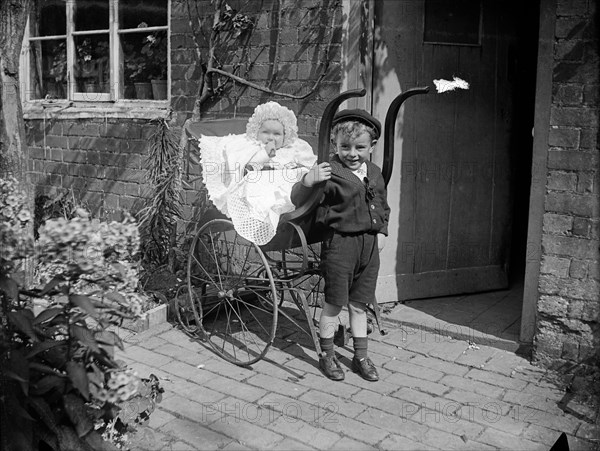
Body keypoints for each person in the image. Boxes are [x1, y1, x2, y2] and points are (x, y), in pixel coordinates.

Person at [290, 109, 389, 382]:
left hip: (368, 248)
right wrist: (307, 181)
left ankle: (360, 356)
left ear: (372, 146)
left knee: (359, 304)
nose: (352, 153)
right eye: (344, 147)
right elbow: (300, 200)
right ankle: (327, 354)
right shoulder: (330, 172)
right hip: (341, 245)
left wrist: (381, 231)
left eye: (360, 147)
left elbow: (382, 204)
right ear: (335, 144)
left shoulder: (376, 173)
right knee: (334, 304)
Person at [199, 102, 317, 244]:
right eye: (265, 132)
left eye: (277, 134)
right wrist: (265, 154)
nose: (271, 138)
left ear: (286, 135)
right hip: (262, 192)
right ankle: (269, 213)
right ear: (256, 132)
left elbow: (308, 164)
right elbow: (247, 169)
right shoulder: (253, 148)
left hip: (291, 192)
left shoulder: (293, 149)